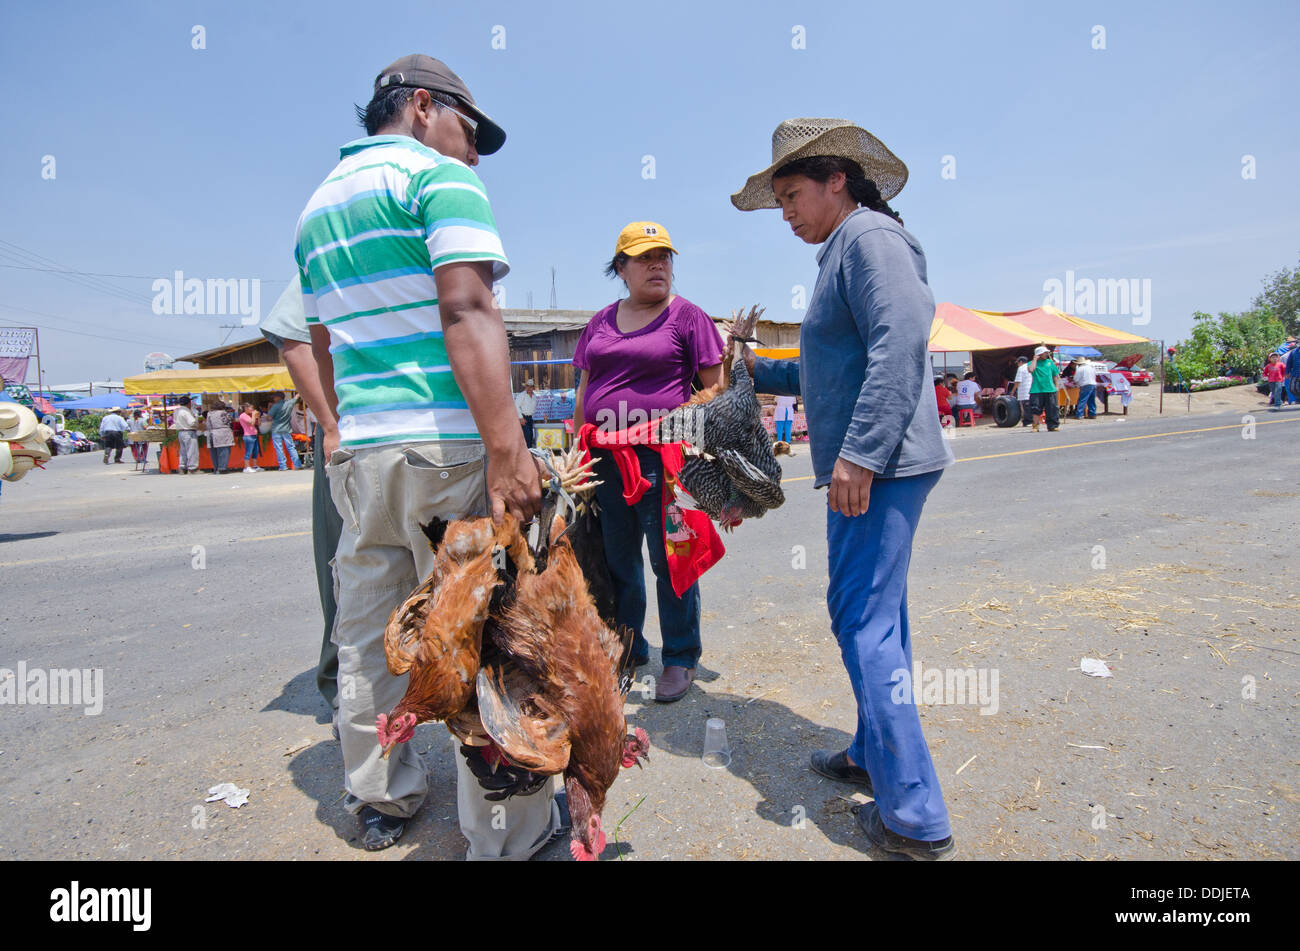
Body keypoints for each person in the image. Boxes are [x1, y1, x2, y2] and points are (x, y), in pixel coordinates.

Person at [296, 53, 560, 858]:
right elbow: (467, 306)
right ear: (421, 106)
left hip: (364, 456)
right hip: (444, 448)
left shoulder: (316, 206)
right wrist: (507, 447)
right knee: (483, 635)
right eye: (469, 129)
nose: (474, 152)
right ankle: (509, 832)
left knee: (370, 630)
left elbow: (319, 340)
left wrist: (347, 430)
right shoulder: (436, 180)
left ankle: (383, 796)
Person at [731, 117, 955, 859]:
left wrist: (859, 453)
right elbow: (824, 369)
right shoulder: (840, 253)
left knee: (862, 620)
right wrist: (750, 366)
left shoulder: (869, 240)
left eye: (793, 194)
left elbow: (904, 338)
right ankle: (870, 750)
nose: (787, 212)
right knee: (874, 616)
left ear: (838, 181)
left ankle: (914, 816)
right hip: (878, 459)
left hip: (881, 463)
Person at [573, 221, 724, 703]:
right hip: (604, 458)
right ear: (621, 268)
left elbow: (715, 390)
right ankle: (629, 646)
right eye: (644, 257)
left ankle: (679, 656)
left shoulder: (688, 318)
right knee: (617, 559)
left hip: (665, 459)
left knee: (671, 559)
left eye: (664, 256)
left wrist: (681, 434)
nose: (658, 264)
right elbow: (584, 392)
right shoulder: (599, 323)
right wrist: (578, 450)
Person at [260, 279, 344, 730]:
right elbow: (296, 341)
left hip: (426, 430)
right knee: (346, 565)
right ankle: (346, 691)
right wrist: (331, 424)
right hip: (355, 430)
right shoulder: (332, 238)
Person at [1026, 345, 1061, 432]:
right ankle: (1035, 426)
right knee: (1036, 408)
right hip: (1036, 390)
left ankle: (1052, 425)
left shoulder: (1050, 362)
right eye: (1045, 353)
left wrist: (1056, 386)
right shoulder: (1031, 363)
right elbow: (1031, 370)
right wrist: (1035, 359)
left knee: (1052, 408)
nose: (1047, 354)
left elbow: (1055, 375)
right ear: (1039, 354)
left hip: (1050, 389)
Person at [266, 391, 302, 470]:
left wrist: (269, 408)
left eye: (274, 397)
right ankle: (297, 465)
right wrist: (299, 390)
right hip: (287, 429)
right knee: (291, 447)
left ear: (278, 397)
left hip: (276, 430)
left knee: (279, 448)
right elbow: (296, 397)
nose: (273, 398)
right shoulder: (289, 403)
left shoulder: (275, 406)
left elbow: (269, 418)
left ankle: (283, 466)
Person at [205, 402, 235, 473]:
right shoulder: (223, 413)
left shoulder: (209, 414)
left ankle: (216, 468)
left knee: (214, 452)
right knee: (224, 451)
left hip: (212, 433)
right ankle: (222, 468)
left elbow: (208, 425)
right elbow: (229, 421)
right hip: (223, 432)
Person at [172, 397, 199, 473]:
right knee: (192, 450)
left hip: (180, 432)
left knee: (183, 451)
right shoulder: (186, 411)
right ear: (188, 403)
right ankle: (192, 468)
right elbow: (192, 422)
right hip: (188, 431)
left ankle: (182, 466)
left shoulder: (177, 411)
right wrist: (196, 419)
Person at [237, 403, 261, 472]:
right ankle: (246, 467)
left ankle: (255, 466)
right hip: (248, 435)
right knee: (249, 451)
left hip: (254, 435)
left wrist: (258, 417)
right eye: (251, 408)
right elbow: (252, 423)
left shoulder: (250, 415)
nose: (253, 410)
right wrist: (253, 415)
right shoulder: (243, 416)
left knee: (255, 451)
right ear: (246, 408)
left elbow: (258, 424)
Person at [514, 378, 537, 448]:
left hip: (530, 418)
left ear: (533, 387)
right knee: (526, 436)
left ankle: (529, 452)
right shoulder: (521, 395)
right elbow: (516, 406)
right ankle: (527, 452)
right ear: (526, 387)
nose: (529, 388)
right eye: (528, 386)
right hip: (524, 418)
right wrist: (521, 418)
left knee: (530, 436)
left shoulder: (534, 396)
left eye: (531, 386)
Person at [1012, 356, 1033, 427]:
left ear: (1020, 362)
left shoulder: (1021, 369)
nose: (1017, 364)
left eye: (1018, 363)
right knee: (1030, 406)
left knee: (1026, 407)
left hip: (1024, 391)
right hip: (1032, 390)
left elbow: (1018, 381)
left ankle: (1028, 421)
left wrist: (1012, 391)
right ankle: (1031, 420)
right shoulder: (1031, 367)